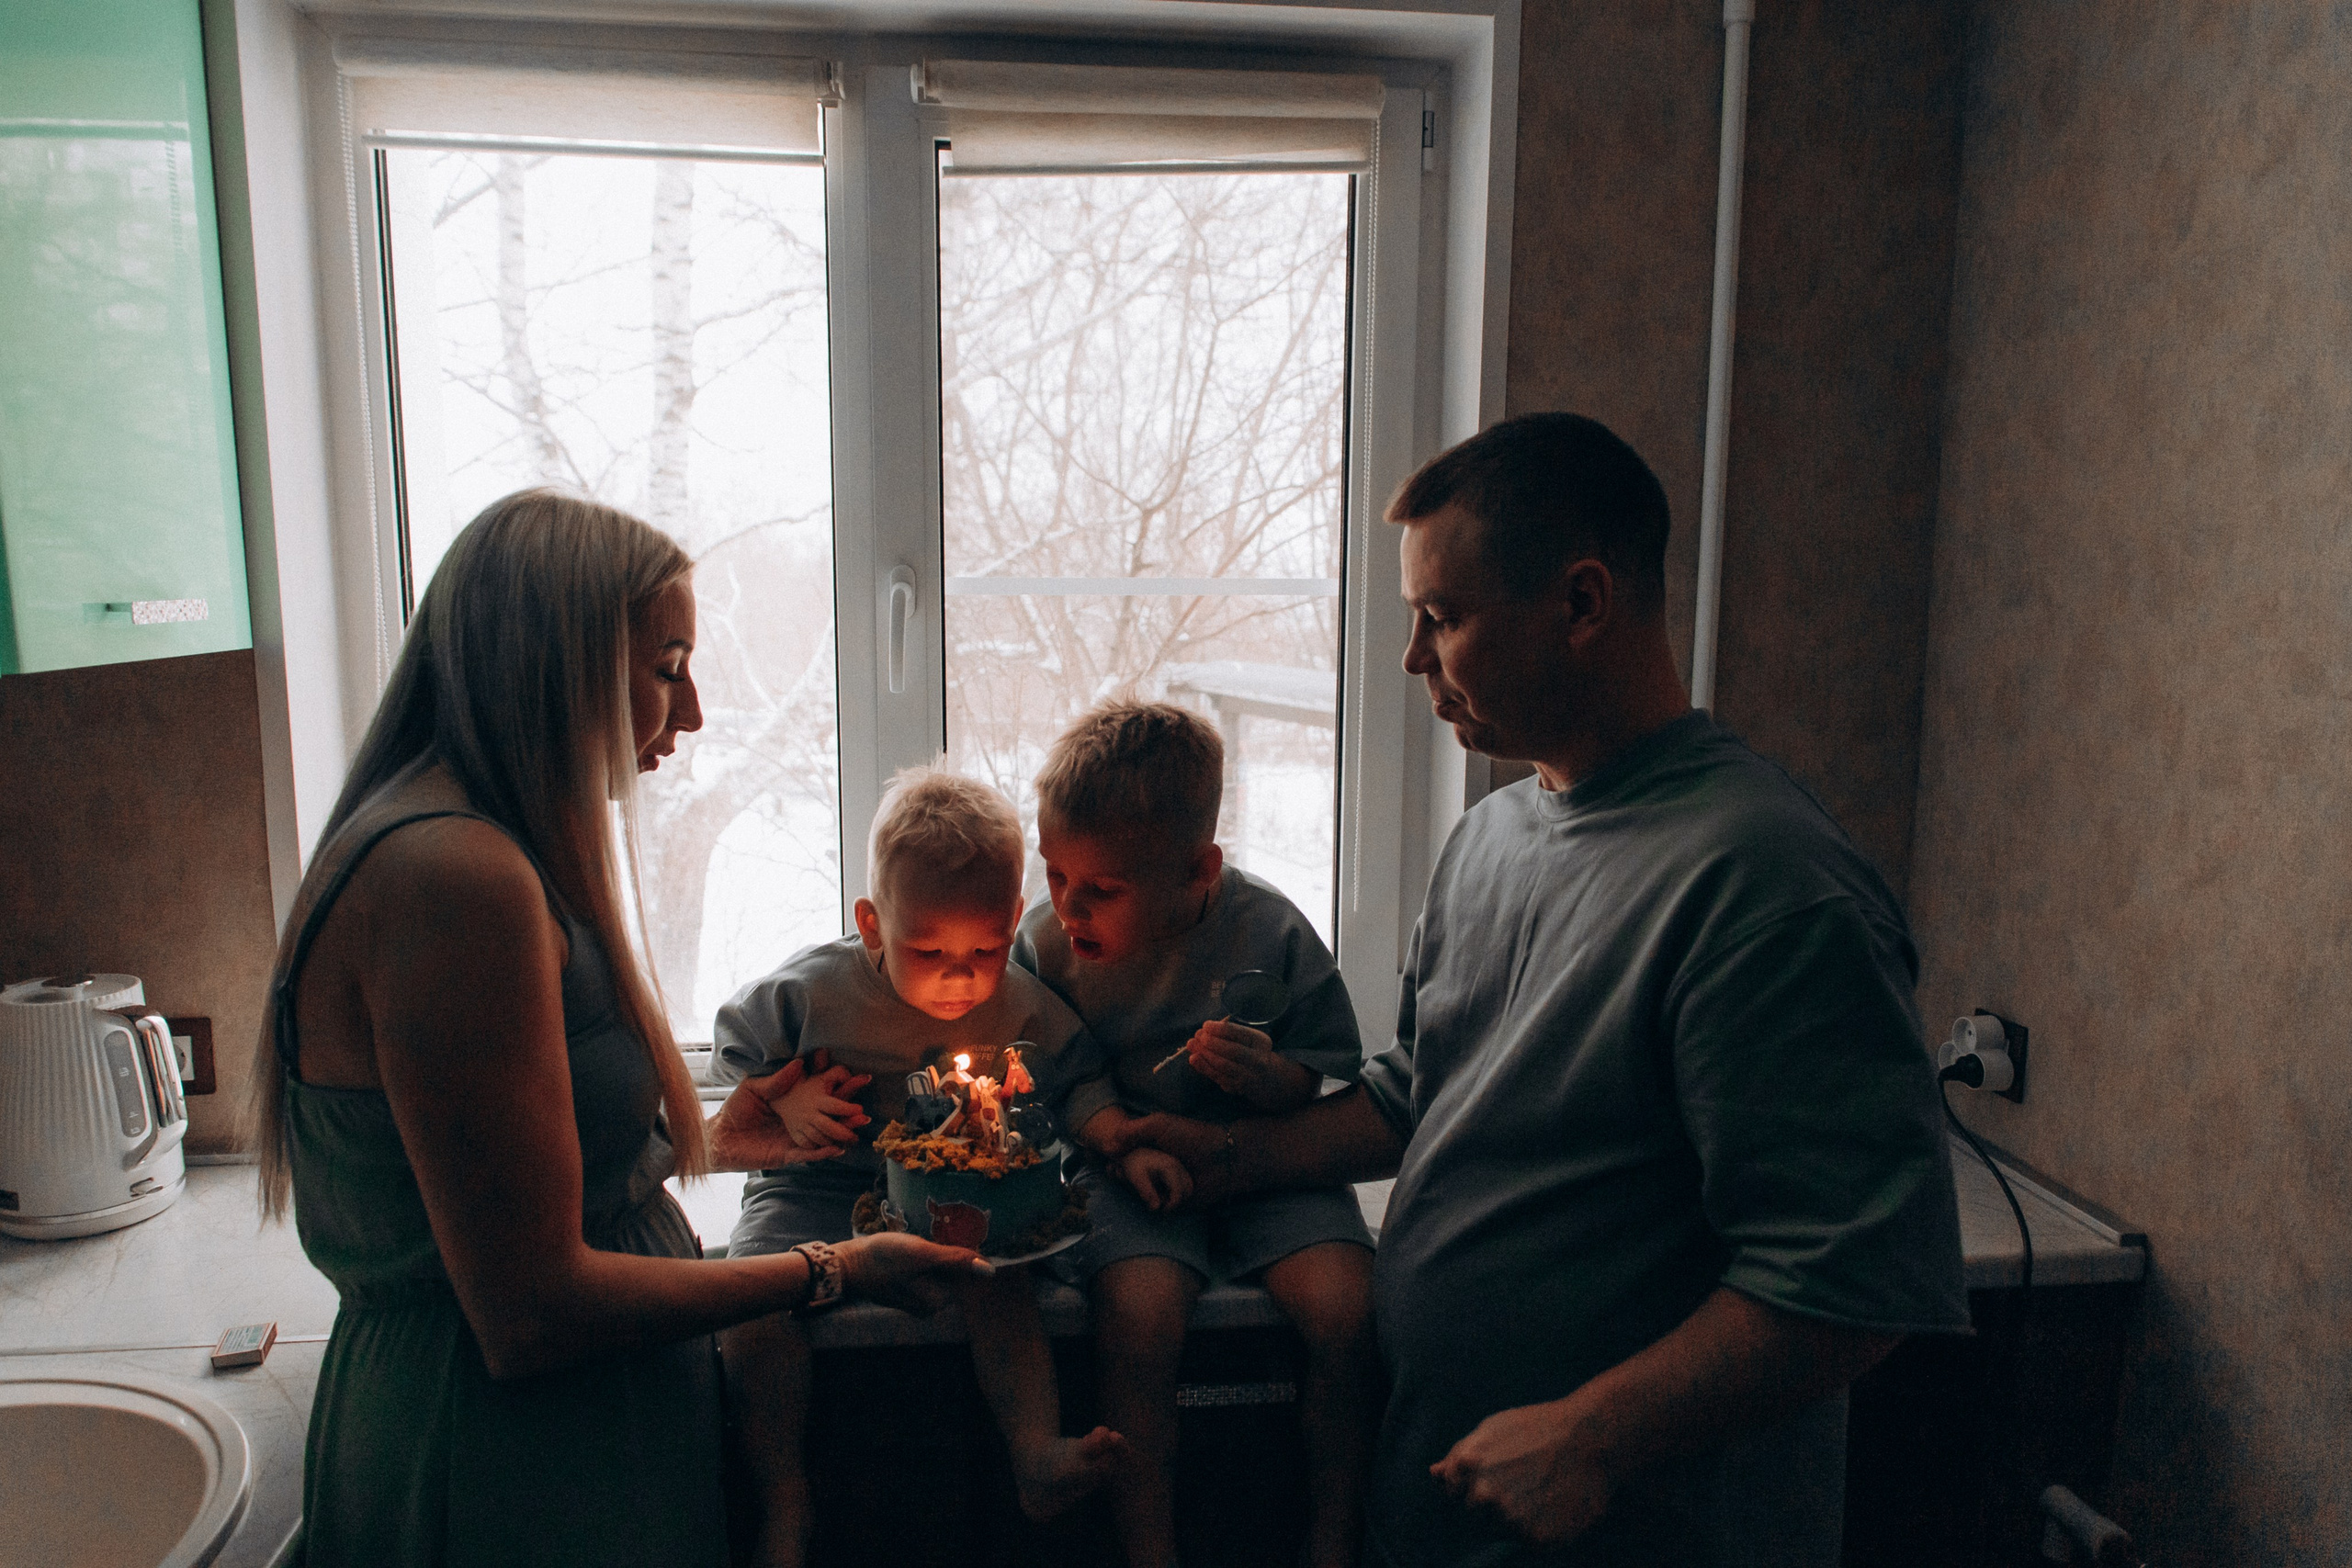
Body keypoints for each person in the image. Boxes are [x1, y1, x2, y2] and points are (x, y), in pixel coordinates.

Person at [1111, 414, 1972, 1566]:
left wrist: (1591, 1437)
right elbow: (1424, 1094)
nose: (1413, 659)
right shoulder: (1493, 836)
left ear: (1580, 604)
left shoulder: (1765, 885)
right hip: (1446, 1510)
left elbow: (1854, 1282)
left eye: (1443, 618)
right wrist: (1231, 1161)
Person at [246, 490, 984, 1568]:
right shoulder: (455, 876)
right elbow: (531, 1308)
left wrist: (708, 1142)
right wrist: (833, 1268)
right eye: (667, 667)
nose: (690, 716)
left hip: (580, 1436)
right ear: (558, 661)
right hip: (512, 1465)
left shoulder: (484, 849)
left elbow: (502, 1176)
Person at [707, 765, 1126, 1567]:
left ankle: (1035, 1451)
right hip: (819, 1179)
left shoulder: (1024, 1002)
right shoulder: (814, 990)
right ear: (872, 924)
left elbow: (1081, 1073)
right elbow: (730, 1043)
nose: (961, 973)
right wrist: (783, 1099)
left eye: (987, 947)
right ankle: (784, 1496)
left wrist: (1108, 1129)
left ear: (1012, 921)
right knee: (753, 1302)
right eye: (927, 948)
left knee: (997, 1280)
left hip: (959, 1198)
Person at [1014, 701, 1382, 1568]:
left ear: (1197, 870)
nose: (1069, 905)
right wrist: (1116, 1143)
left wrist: (1271, 1077)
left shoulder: (1272, 931)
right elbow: (1046, 1077)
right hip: (1120, 1162)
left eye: (1102, 889)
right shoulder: (1044, 941)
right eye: (1055, 873)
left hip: (1269, 1162)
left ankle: (1334, 1535)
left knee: (1351, 1310)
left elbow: (1328, 1068)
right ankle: (1151, 1549)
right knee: (1139, 1317)